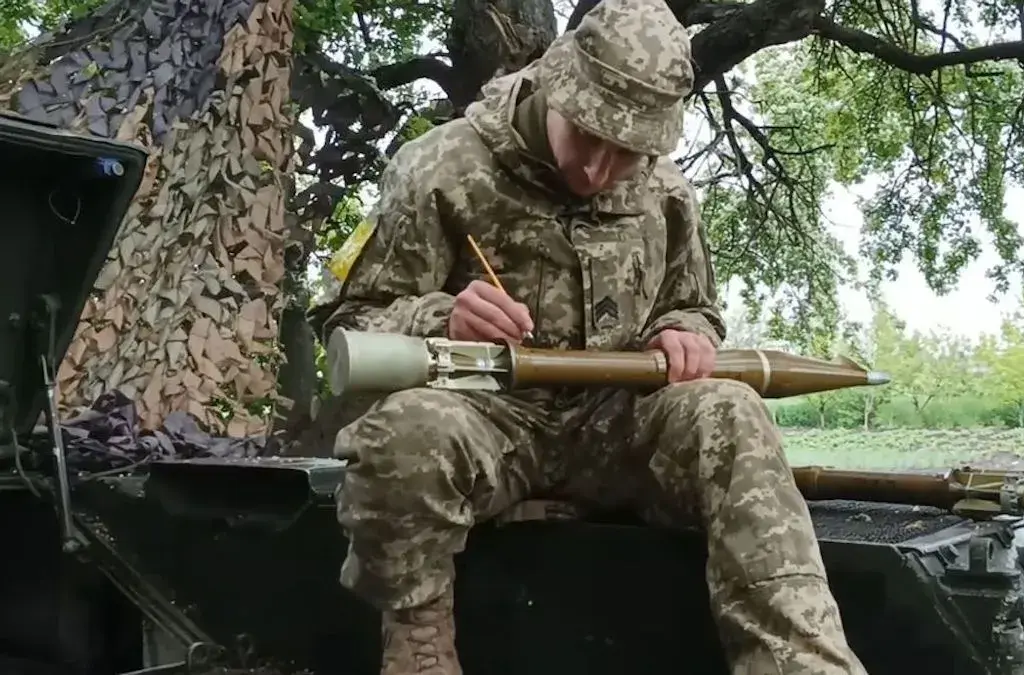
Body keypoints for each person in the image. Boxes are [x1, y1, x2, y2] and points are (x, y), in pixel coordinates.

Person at [309, 0, 866, 673]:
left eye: (627, 151)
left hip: (618, 421)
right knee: (402, 437)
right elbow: (350, 320)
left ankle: (800, 661)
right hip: (485, 420)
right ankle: (420, 642)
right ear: (556, 86)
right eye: (587, 135)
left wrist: (682, 332)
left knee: (733, 413)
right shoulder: (440, 167)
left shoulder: (666, 194)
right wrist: (442, 317)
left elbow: (692, 306)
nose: (600, 169)